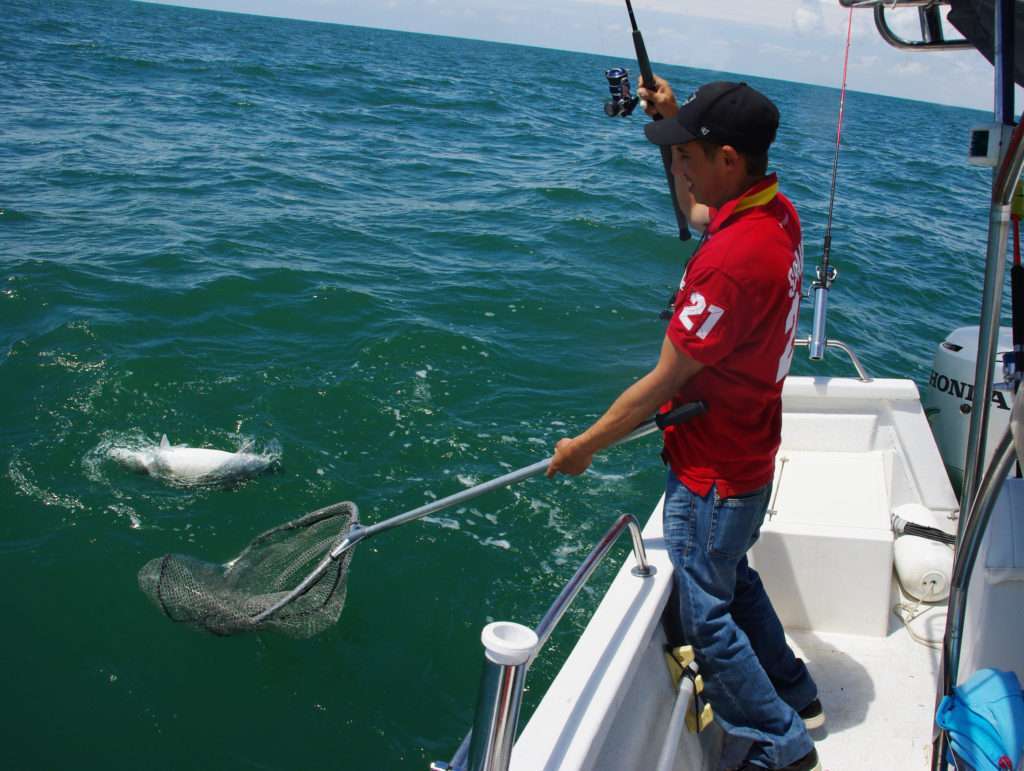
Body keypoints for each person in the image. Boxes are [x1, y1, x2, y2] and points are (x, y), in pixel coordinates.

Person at [545, 78, 822, 771]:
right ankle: (793, 683)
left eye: (691, 155)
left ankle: (778, 741)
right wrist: (673, 122)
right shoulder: (776, 213)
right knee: (734, 573)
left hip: (713, 472)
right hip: (751, 458)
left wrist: (583, 447)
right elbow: (699, 211)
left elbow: (661, 384)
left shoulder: (729, 265)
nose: (683, 169)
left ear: (730, 159)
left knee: (706, 614)